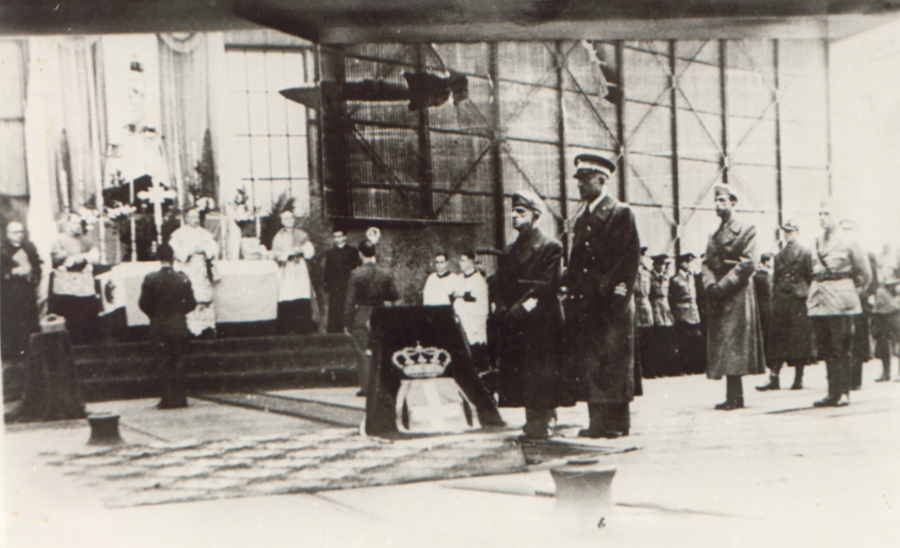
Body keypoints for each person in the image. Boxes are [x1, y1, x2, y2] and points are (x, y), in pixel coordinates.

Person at [562, 154, 640, 438]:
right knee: (593, 362)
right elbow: (577, 261)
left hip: (611, 301)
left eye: (586, 179)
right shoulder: (583, 217)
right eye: (579, 179)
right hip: (587, 301)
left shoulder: (620, 213)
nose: (580, 185)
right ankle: (598, 423)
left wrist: (619, 297)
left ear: (602, 180)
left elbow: (629, 260)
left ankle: (617, 424)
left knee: (613, 361)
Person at [489, 190, 575, 439]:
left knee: (542, 372)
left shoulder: (551, 247)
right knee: (523, 371)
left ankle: (544, 418)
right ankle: (533, 419)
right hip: (516, 320)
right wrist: (501, 308)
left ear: (536, 215)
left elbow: (545, 286)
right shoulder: (509, 250)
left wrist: (516, 311)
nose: (513, 216)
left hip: (541, 321)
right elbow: (498, 285)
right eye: (513, 212)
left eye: (520, 212)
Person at [701, 184, 765, 410]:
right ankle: (733, 395)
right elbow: (706, 263)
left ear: (733, 203)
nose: (718, 205)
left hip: (736, 292)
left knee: (734, 342)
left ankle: (736, 397)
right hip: (720, 292)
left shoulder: (747, 229)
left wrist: (723, 285)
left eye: (723, 201)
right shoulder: (714, 234)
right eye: (716, 201)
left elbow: (748, 263)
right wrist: (710, 284)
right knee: (725, 342)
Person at [806, 199, 871, 407]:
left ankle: (843, 392)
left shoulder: (850, 241)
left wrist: (851, 293)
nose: (822, 218)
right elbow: (809, 271)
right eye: (820, 214)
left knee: (841, 347)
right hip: (820, 300)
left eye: (827, 214)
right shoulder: (815, 242)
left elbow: (865, 273)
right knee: (826, 348)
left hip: (841, 302)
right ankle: (831, 393)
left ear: (837, 216)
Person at [757, 220, 816, 391]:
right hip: (782, 301)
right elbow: (775, 280)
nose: (788, 235)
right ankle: (773, 378)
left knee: (799, 340)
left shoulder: (805, 253)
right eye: (785, 232)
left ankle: (798, 379)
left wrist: (806, 295)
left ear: (797, 232)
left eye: (791, 232)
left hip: (798, 301)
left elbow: (810, 277)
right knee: (777, 339)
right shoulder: (778, 256)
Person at [138, 243, 197, 409]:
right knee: (179, 361)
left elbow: (143, 303)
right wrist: (179, 313)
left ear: (158, 257)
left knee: (162, 362)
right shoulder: (182, 278)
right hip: (178, 325)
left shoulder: (151, 278)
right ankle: (181, 399)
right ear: (173, 257)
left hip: (159, 326)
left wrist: (155, 315)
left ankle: (167, 399)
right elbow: (192, 303)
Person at [344, 241, 401, 396]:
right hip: (381, 314)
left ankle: (367, 388)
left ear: (360, 254)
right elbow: (395, 297)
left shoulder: (356, 274)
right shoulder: (385, 273)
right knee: (381, 351)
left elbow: (350, 302)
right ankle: (383, 385)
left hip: (362, 314)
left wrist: (347, 323)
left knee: (363, 352)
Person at [49, 213, 101, 345]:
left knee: (86, 312)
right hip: (67, 283)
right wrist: (69, 257)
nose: (77, 226)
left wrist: (84, 257)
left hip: (83, 281)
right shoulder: (59, 239)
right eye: (74, 223)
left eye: (79, 223)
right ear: (67, 224)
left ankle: (88, 341)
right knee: (71, 312)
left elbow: (95, 255)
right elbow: (55, 258)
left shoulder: (86, 240)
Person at [169, 206, 219, 337]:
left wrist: (204, 249)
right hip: (187, 268)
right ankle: (189, 329)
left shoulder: (204, 233)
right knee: (188, 296)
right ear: (186, 218)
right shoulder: (178, 233)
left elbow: (213, 248)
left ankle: (206, 328)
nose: (195, 219)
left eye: (197, 216)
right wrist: (188, 252)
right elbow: (174, 250)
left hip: (201, 269)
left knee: (203, 296)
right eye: (192, 217)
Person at [270, 209, 316, 334]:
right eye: (286, 218)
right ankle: (287, 328)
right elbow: (276, 255)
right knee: (287, 295)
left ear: (294, 219)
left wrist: (301, 250)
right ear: (282, 221)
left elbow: (310, 251)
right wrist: (287, 254)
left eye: (290, 218)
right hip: (286, 269)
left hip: (299, 267)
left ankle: (303, 327)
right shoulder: (278, 237)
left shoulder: (301, 234)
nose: (289, 220)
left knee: (301, 294)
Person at [1, 221, 42, 361]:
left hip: (27, 291)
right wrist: (13, 272)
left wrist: (34, 274)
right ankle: (13, 354)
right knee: (12, 321)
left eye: (21, 232)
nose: (19, 235)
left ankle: (31, 352)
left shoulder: (29, 247)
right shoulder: (3, 249)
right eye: (15, 232)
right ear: (8, 234)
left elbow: (37, 266)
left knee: (29, 319)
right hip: (9, 293)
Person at [452, 250, 491, 374]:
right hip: (462, 317)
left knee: (476, 345)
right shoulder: (459, 278)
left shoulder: (478, 279)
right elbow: (454, 294)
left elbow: (474, 297)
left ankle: (482, 372)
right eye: (460, 260)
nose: (460, 263)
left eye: (463, 260)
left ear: (471, 262)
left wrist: (461, 294)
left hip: (475, 319)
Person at [669, 252, 704, 375]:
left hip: (693, 311)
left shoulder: (691, 277)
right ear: (680, 263)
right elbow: (672, 297)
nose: (688, 264)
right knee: (684, 341)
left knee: (695, 340)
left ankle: (695, 367)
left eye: (689, 262)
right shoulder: (675, 279)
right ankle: (685, 367)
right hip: (682, 312)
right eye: (686, 262)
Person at [323, 228, 361, 333]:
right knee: (334, 309)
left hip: (348, 284)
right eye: (335, 237)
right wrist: (327, 285)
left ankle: (347, 330)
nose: (337, 239)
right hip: (335, 286)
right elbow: (327, 270)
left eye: (339, 236)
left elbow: (357, 268)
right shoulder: (330, 253)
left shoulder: (352, 251)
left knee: (347, 307)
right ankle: (334, 332)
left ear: (345, 237)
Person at [872, 243, 900, 382]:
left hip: (896, 301)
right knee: (882, 339)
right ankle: (886, 372)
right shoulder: (877, 258)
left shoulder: (897, 255)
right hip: (880, 303)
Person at [649, 254, 676, 376]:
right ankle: (658, 369)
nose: (661, 266)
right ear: (654, 265)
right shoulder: (650, 276)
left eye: (663, 264)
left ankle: (669, 368)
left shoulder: (666, 276)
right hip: (655, 308)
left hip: (666, 308)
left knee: (668, 339)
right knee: (658, 339)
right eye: (659, 264)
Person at [634, 247, 655, 379]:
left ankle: (649, 370)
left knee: (648, 340)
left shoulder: (647, 273)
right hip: (635, 307)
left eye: (642, 256)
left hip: (646, 307)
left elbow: (651, 292)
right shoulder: (630, 272)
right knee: (637, 340)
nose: (641, 258)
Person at [754, 252, 774, 356]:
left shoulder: (758, 275)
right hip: (766, 308)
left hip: (762, 307)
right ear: (766, 262)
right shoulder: (765, 277)